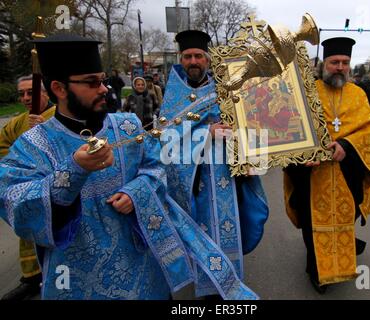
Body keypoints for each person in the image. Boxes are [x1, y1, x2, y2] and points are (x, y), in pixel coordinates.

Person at [0, 34, 258, 300]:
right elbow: (15, 204)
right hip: (78, 277)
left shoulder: (127, 126)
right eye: (92, 82)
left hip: (143, 269)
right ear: (59, 89)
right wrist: (74, 169)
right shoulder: (33, 145)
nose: (104, 89)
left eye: (102, 80)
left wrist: (136, 192)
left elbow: (158, 167)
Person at [159, 30, 269, 299]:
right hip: (191, 184)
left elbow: (251, 127)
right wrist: (205, 134)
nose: (193, 61)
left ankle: (227, 287)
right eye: (187, 56)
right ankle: (205, 287)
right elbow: (163, 142)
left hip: (224, 180)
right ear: (180, 59)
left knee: (226, 234)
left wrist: (239, 140)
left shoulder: (226, 88)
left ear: (208, 59)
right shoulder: (172, 93)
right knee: (198, 237)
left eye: (198, 56)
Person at [283, 37, 370, 294]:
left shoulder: (358, 95)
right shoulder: (307, 91)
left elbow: (369, 129)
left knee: (346, 218)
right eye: (334, 62)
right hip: (311, 175)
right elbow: (291, 129)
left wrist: (346, 146)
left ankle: (344, 251)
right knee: (313, 224)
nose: (340, 67)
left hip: (347, 173)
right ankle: (316, 272)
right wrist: (304, 156)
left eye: (345, 62)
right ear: (324, 63)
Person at [0, 75, 56, 300]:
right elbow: (2, 145)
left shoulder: (59, 116)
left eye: (30, 93)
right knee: (27, 231)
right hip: (27, 188)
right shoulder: (19, 122)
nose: (25, 98)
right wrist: (18, 166)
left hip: (54, 188)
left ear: (45, 93)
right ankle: (31, 278)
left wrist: (46, 132)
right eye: (21, 93)